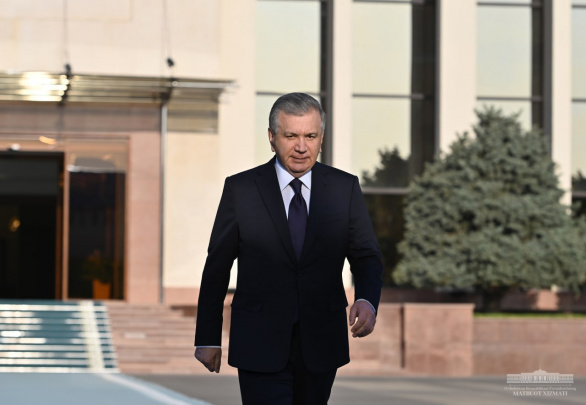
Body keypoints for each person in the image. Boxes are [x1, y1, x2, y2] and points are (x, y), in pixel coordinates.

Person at [194, 92, 383, 405]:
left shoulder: (344, 188)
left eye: (311, 136)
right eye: (291, 136)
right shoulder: (242, 190)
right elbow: (217, 267)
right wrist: (207, 337)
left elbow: (366, 255)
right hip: (258, 341)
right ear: (272, 138)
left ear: (321, 138)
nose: (301, 147)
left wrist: (366, 299)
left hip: (321, 341)